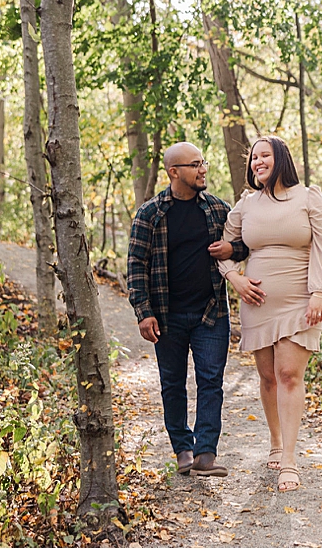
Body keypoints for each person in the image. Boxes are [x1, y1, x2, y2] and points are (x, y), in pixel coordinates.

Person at [207, 136, 322, 492]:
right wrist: (235, 278)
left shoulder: (309, 197)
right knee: (268, 378)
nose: (257, 162)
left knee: (289, 374)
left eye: (264, 156)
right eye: (253, 158)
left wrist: (319, 292)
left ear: (281, 158)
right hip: (258, 302)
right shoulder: (246, 204)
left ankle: (290, 461)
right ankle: (276, 443)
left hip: (300, 299)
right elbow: (224, 248)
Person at [126, 140, 234, 478]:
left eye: (203, 162)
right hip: (167, 316)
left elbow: (245, 243)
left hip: (211, 314)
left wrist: (233, 247)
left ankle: (205, 453)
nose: (203, 169)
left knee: (211, 381)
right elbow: (136, 265)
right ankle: (182, 450)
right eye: (194, 164)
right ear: (174, 172)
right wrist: (144, 312)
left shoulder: (218, 210)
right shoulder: (151, 213)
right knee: (172, 384)